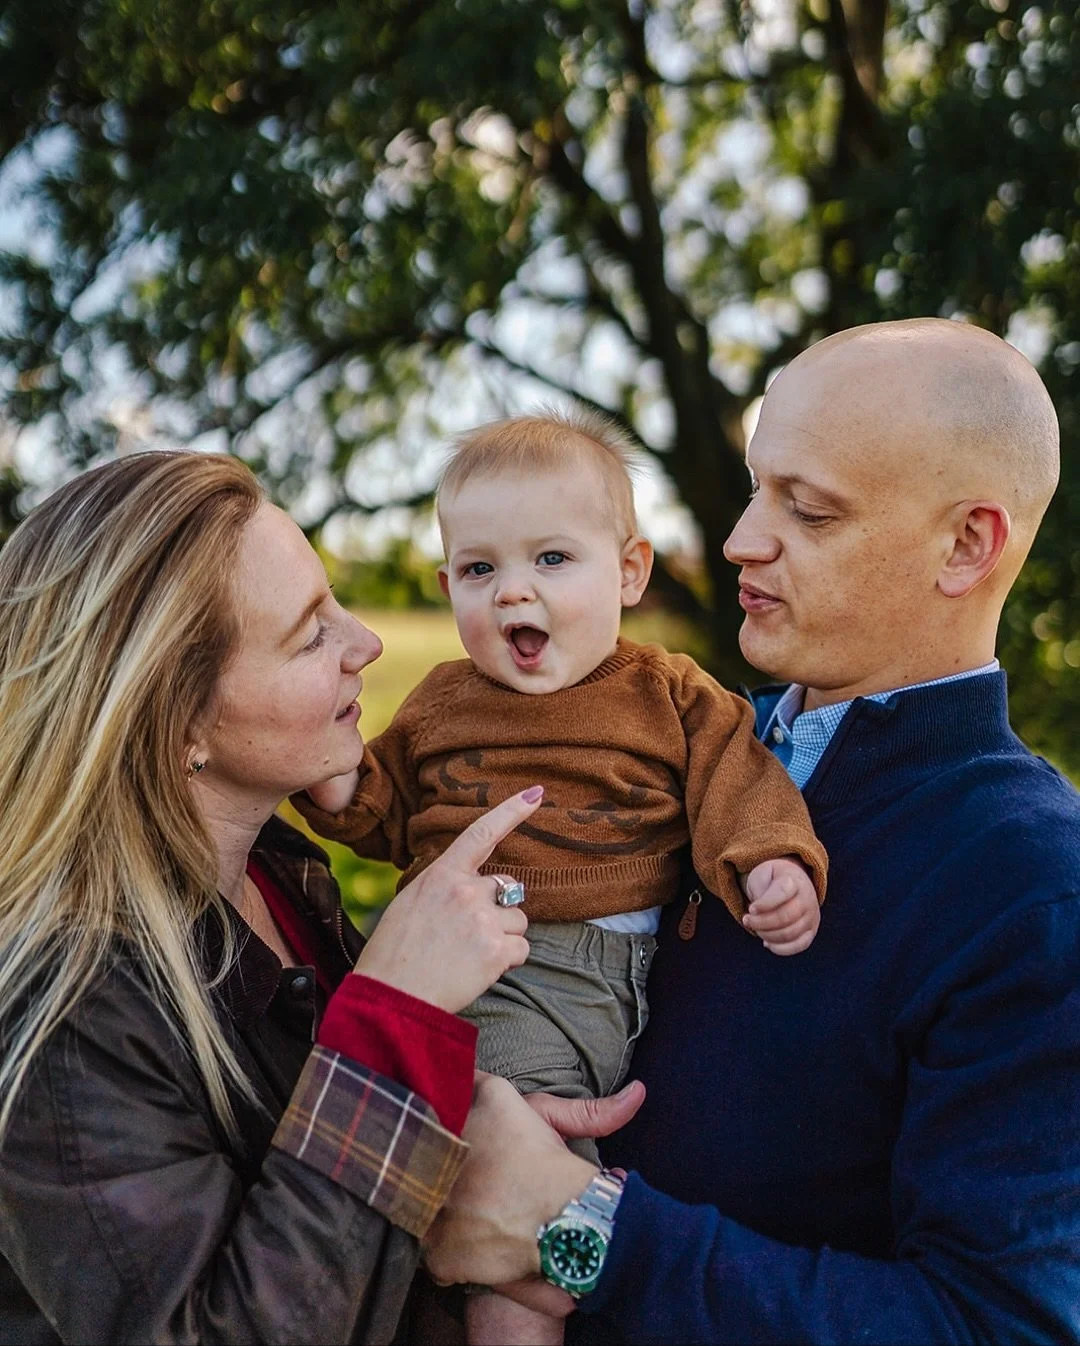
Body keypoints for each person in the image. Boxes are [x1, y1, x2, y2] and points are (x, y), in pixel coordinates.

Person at [423, 318, 1080, 1344]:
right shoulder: (684, 733)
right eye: (757, 486)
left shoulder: (1031, 882)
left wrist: (581, 1230)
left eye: (808, 510)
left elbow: (995, 1325)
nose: (739, 539)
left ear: (968, 543)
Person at [0, 450, 635, 1346]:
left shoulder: (278, 868)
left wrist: (469, 1120)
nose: (365, 643)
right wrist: (396, 1018)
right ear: (181, 721)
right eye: (310, 634)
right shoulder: (69, 1010)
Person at [295, 411, 829, 1344]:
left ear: (628, 571)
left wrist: (773, 862)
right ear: (446, 583)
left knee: (573, 1190)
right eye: (479, 570)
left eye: (551, 561)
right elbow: (384, 810)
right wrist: (338, 782)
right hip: (503, 972)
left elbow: (738, 783)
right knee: (533, 1201)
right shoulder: (442, 701)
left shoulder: (667, 692)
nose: (512, 595)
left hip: (627, 983)